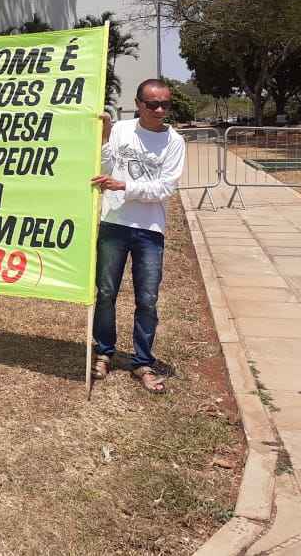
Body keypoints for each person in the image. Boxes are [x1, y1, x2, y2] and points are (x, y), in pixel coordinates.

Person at [90, 79, 186, 393]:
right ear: (138, 103)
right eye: (152, 104)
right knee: (105, 292)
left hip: (149, 231)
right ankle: (104, 352)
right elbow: (103, 167)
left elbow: (165, 187)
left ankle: (142, 361)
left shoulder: (174, 141)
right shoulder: (120, 130)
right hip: (113, 223)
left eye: (165, 105)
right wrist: (103, 137)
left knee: (147, 299)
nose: (159, 110)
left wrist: (125, 187)